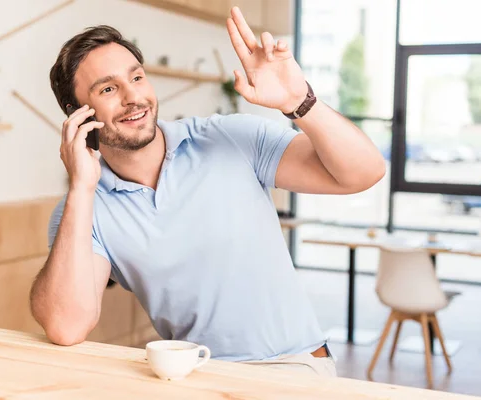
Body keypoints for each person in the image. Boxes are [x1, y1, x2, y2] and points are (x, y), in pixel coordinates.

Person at [30, 7, 385, 378]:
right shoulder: (84, 207)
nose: (132, 96)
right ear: (79, 115)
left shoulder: (229, 137)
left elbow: (364, 173)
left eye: (137, 77)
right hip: (195, 375)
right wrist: (82, 188)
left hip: (293, 367)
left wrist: (299, 101)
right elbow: (66, 326)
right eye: (107, 88)